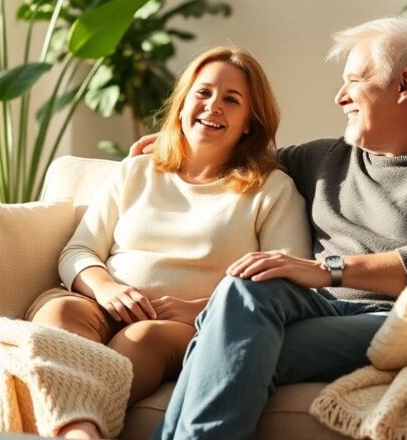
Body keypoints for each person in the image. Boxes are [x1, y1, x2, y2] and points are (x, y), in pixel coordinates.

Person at [142, 16, 407, 439]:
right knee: (244, 285)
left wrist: (331, 270)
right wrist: (181, 144)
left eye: (353, 81)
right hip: (316, 311)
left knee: (223, 345)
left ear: (404, 85)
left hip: (396, 319)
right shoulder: (320, 160)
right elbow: (239, 154)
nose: (340, 97)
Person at [28, 47, 311, 439]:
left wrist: (201, 309)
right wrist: (107, 288)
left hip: (188, 325)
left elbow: (289, 283)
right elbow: (79, 251)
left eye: (232, 100)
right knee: (58, 317)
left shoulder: (272, 190)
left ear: (249, 122)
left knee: (142, 338)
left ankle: (79, 431)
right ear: (182, 104)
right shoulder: (136, 171)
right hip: (101, 304)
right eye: (203, 92)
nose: (213, 106)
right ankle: (74, 428)